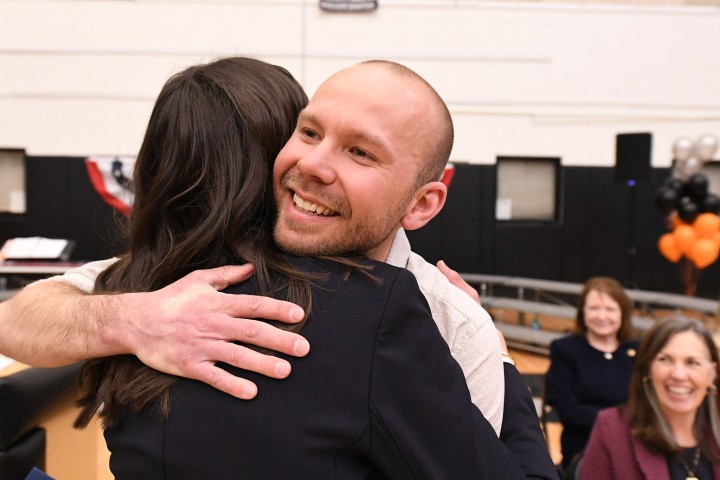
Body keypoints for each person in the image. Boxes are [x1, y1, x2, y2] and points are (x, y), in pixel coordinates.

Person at [68, 56, 524, 479]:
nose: (313, 163)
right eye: (308, 133)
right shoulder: (161, 292)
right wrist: (130, 318)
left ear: (422, 203)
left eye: (361, 152)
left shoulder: (450, 322)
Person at [580, 316, 720, 480]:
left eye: (692, 362)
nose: (679, 375)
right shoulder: (612, 429)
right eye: (665, 360)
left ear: (712, 374)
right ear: (647, 370)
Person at [545, 276, 640, 473]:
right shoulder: (565, 349)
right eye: (594, 308)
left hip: (636, 444)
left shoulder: (637, 352)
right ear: (583, 312)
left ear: (623, 313)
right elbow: (565, 407)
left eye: (610, 309)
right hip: (584, 446)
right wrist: (616, 425)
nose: (601, 316)